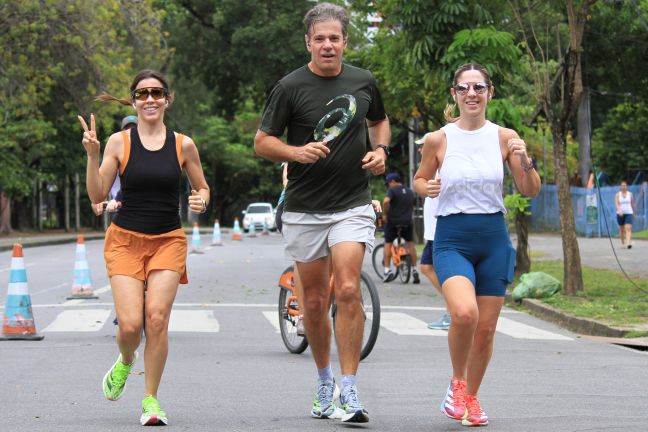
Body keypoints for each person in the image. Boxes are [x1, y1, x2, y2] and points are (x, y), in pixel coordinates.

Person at [254, 2, 389, 423]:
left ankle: (350, 390)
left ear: (345, 41)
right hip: (305, 208)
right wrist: (295, 152)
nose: (327, 45)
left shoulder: (363, 81)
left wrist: (381, 150)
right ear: (308, 43)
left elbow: (380, 123)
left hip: (351, 203)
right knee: (314, 301)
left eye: (335, 38)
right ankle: (324, 378)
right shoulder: (290, 87)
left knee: (347, 288)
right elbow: (262, 141)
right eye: (320, 39)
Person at [79, 69, 209, 426]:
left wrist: (201, 200)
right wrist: (92, 156)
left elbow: (203, 187)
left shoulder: (184, 144)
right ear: (134, 102)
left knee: (157, 319)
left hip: (168, 240)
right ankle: (125, 360)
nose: (149, 99)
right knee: (131, 326)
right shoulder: (119, 142)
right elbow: (97, 194)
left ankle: (151, 400)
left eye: (156, 93)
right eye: (142, 94)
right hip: (124, 242)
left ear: (167, 99)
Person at [414, 63, 541, 427]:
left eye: (479, 87)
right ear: (454, 94)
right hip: (452, 238)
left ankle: (471, 398)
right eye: (464, 88)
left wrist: (524, 159)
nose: (472, 94)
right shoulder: (439, 139)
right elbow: (420, 179)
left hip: (493, 239)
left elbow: (529, 189)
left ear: (490, 92)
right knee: (465, 313)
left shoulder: (504, 136)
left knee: (485, 329)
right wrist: (426, 188)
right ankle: (457, 384)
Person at [414, 134, 450, 330]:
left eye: (423, 146)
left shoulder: (441, 168)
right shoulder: (430, 171)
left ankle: (453, 308)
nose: (421, 150)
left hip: (440, 230)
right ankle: (453, 307)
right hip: (433, 232)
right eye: (420, 147)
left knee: (432, 268)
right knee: (427, 267)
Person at [91, 115, 138, 217]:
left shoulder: (147, 152)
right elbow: (101, 182)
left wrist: (117, 200)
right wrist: (98, 200)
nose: (130, 132)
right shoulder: (115, 152)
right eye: (127, 129)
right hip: (118, 206)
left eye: (134, 129)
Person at [381, 172, 420, 283]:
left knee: (388, 243)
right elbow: (412, 206)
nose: (388, 185)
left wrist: (384, 214)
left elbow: (386, 201)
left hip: (393, 221)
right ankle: (415, 270)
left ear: (393, 182)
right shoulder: (409, 191)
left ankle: (387, 271)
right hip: (407, 222)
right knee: (410, 244)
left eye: (388, 183)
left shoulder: (392, 190)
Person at [615, 181, 636, 249]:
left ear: (627, 187)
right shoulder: (618, 194)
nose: (623, 187)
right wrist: (619, 210)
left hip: (629, 213)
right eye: (622, 186)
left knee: (628, 228)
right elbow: (617, 204)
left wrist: (634, 212)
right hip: (620, 214)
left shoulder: (630, 194)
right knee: (621, 229)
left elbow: (632, 204)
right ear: (620, 187)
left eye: (625, 185)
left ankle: (628, 243)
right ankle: (622, 242)